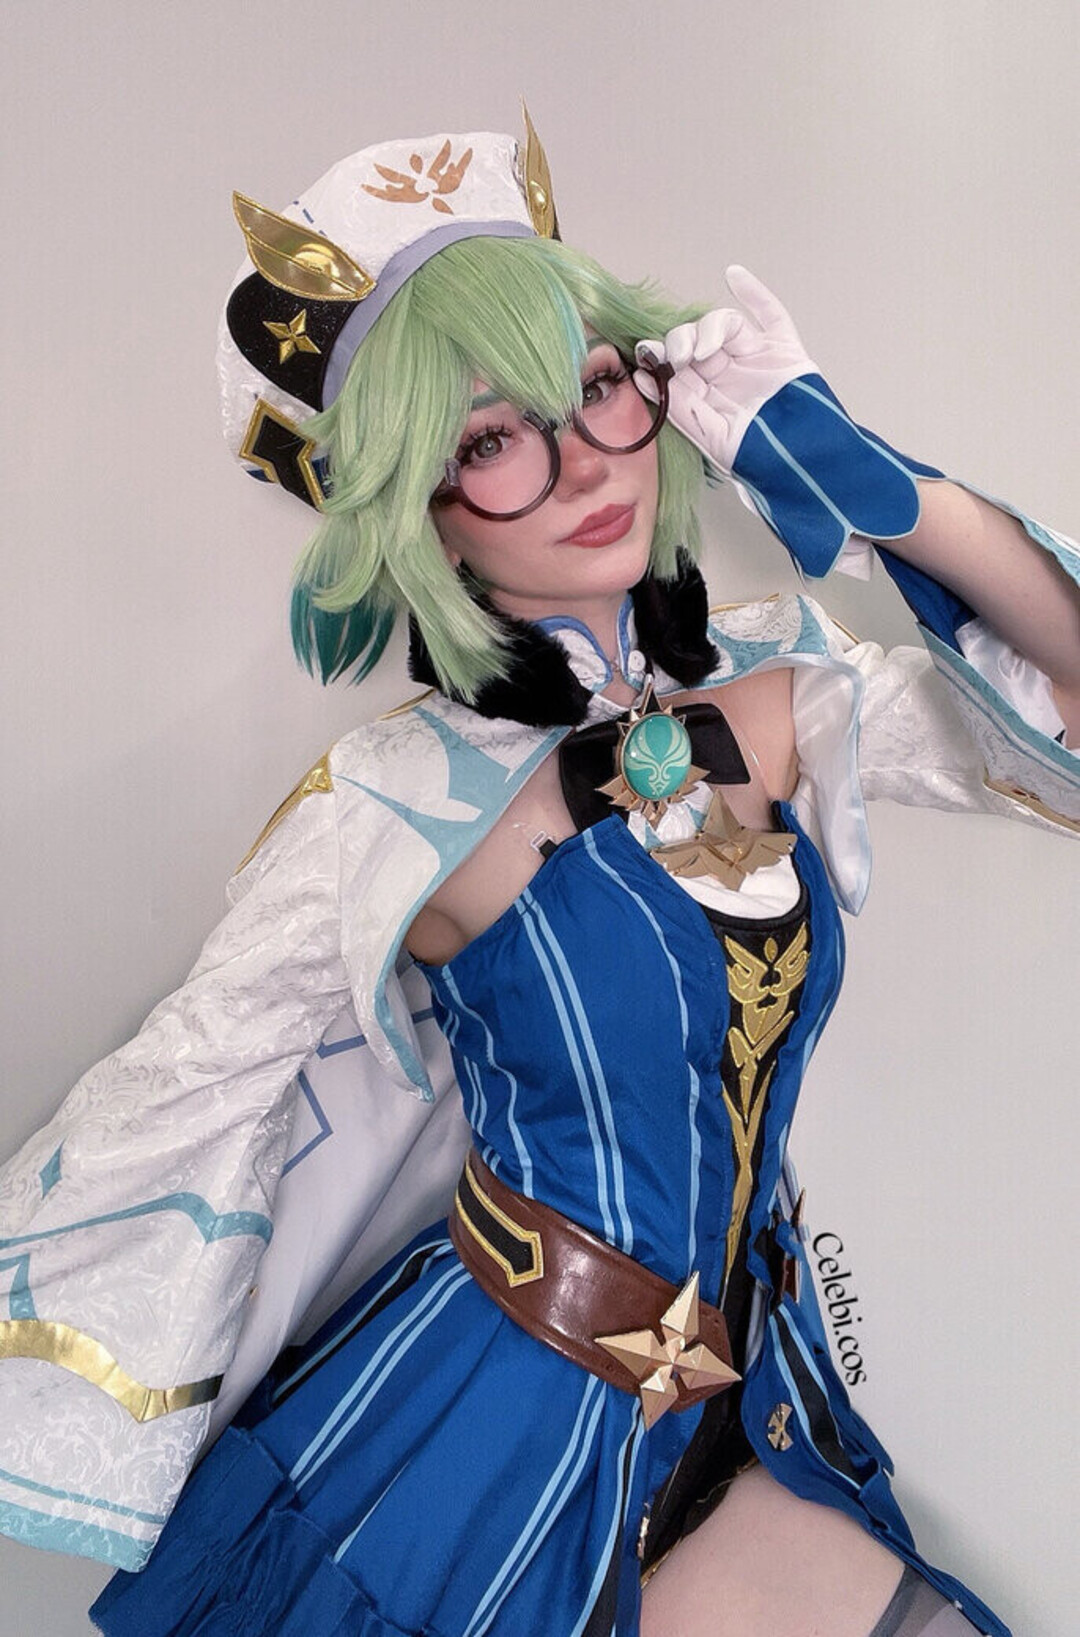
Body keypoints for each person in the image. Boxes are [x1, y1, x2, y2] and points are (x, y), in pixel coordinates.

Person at [0, 118, 1077, 1637]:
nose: (582, 465)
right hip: (482, 1434)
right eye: (493, 442)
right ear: (417, 513)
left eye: (597, 388)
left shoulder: (788, 687)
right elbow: (173, 1098)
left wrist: (870, 482)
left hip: (746, 1389)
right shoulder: (393, 804)